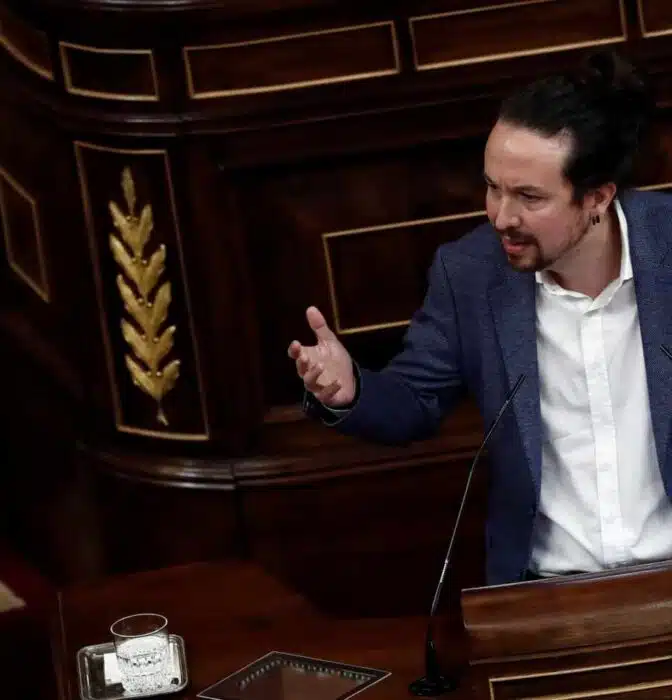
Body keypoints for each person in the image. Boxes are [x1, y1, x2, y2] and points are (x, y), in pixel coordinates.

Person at [287, 50, 672, 586]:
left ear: (597, 197)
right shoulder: (469, 274)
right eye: (494, 187)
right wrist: (349, 390)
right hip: (547, 590)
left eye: (529, 197)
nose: (500, 216)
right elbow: (415, 401)